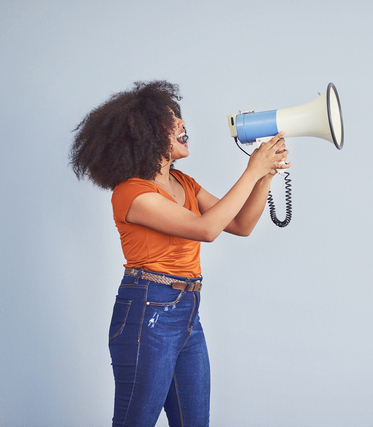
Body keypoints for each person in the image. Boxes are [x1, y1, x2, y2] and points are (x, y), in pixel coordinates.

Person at [69, 80, 289, 426]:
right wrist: (252, 170)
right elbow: (207, 230)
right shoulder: (131, 193)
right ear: (143, 134)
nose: (182, 125)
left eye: (179, 117)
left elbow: (242, 224)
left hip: (187, 311)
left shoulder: (184, 182)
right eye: (170, 121)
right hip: (147, 310)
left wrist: (266, 176)